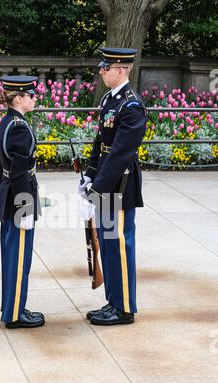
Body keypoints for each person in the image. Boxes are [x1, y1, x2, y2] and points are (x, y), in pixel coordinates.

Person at [78, 48, 147, 325]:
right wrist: (89, 175)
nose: (101, 71)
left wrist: (95, 191)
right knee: (107, 245)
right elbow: (101, 143)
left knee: (119, 244)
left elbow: (119, 154)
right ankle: (113, 302)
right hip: (106, 180)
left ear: (121, 69)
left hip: (121, 183)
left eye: (105, 67)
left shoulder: (131, 106)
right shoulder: (110, 100)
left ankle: (125, 308)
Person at [0, 75, 44, 329]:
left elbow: (0, 165)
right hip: (19, 200)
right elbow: (20, 170)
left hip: (9, 196)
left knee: (11, 253)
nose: (35, 99)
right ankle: (15, 313)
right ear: (18, 98)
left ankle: (10, 305)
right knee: (19, 257)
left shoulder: (8, 122)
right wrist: (25, 208)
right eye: (31, 95)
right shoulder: (19, 126)